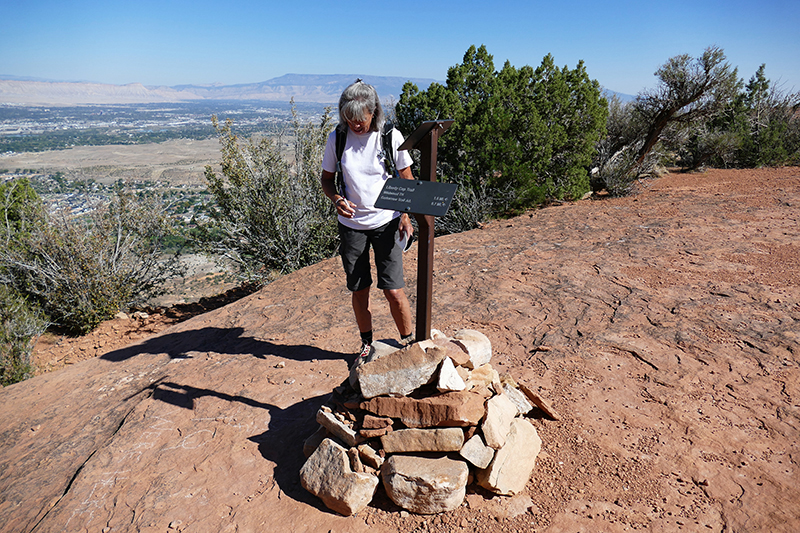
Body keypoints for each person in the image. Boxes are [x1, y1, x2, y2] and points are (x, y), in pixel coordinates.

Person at [320, 80, 415, 363]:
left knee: (393, 290)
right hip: (352, 226)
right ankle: (366, 344)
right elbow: (327, 180)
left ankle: (408, 341)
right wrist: (337, 199)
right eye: (349, 118)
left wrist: (405, 215)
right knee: (359, 289)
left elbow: (406, 179)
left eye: (360, 118)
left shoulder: (390, 136)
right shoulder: (336, 138)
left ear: (373, 112)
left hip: (387, 221)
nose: (355, 124)